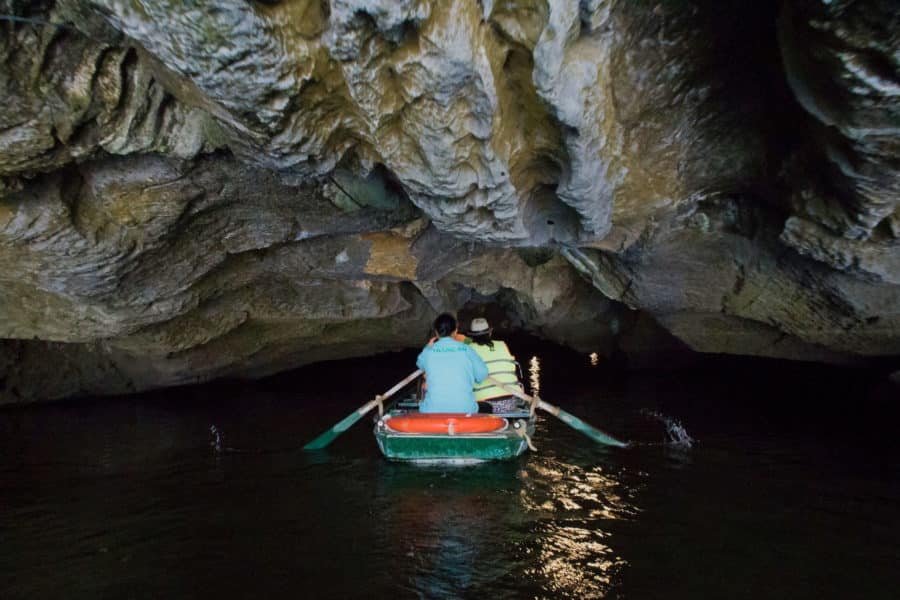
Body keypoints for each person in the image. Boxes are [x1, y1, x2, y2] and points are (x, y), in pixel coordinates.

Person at [416, 313, 488, 414]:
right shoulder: (467, 349)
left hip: (432, 410)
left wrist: (428, 347)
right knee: (486, 406)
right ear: (455, 331)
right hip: (465, 409)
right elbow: (482, 374)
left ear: (436, 332)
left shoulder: (429, 351)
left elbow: (420, 364)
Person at [467, 318, 521, 413]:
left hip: (484, 405)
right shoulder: (502, 345)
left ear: (471, 336)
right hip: (510, 403)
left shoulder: (468, 349)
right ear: (490, 332)